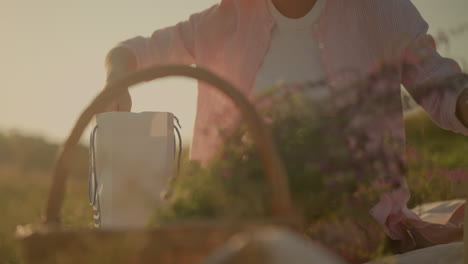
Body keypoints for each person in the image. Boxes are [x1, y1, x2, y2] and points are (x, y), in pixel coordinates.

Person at [104, 0, 468, 253]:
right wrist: (116, 79)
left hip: (352, 220)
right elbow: (131, 51)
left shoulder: (378, 10)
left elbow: (442, 86)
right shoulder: (224, 20)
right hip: (242, 217)